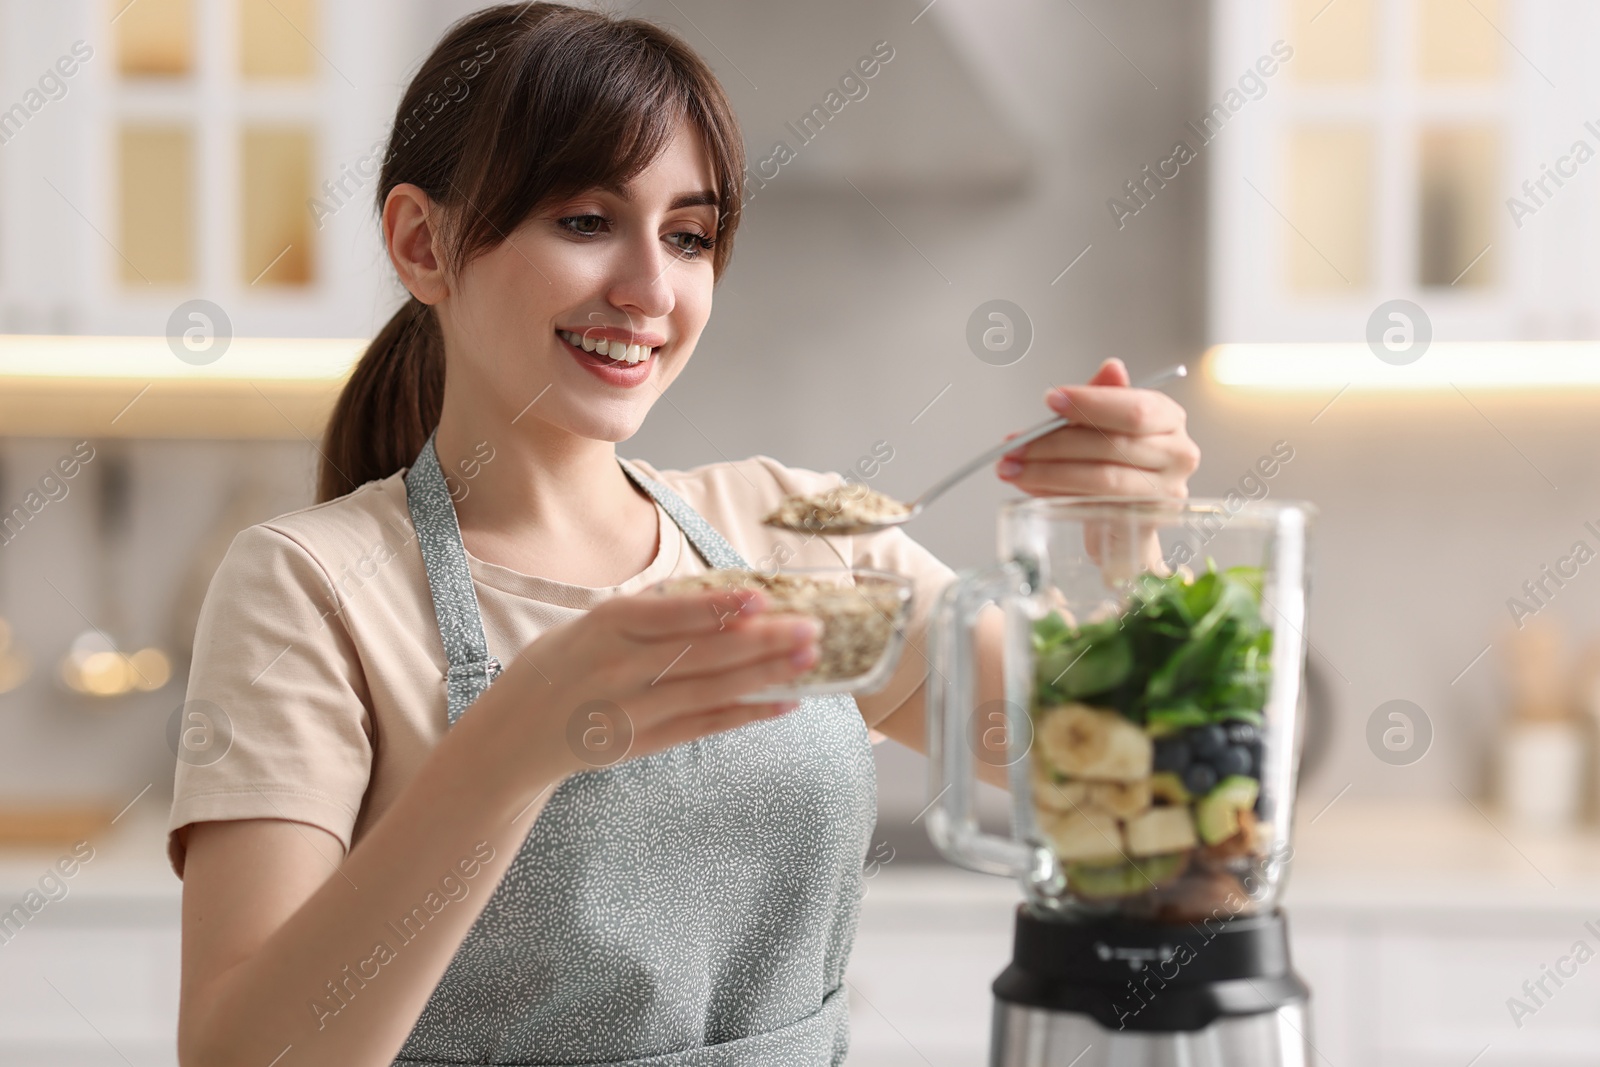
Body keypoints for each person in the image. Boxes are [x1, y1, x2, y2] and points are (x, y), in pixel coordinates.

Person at [167, 5, 1200, 1066]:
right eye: (583, 220)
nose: (651, 290)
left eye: (689, 235)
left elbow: (1144, 796)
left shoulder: (797, 537)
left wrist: (1127, 545)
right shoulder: (311, 587)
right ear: (421, 243)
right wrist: (509, 747)